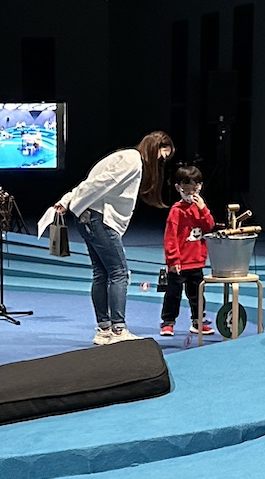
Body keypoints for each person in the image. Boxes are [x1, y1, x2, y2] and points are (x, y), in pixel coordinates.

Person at [54, 130, 175, 344]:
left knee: (101, 273)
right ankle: (118, 329)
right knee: (119, 273)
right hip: (99, 219)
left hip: (89, 218)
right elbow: (98, 184)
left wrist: (68, 200)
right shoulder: (132, 160)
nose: (161, 162)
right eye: (162, 156)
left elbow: (93, 181)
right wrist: (70, 201)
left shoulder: (126, 156)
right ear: (156, 148)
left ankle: (104, 330)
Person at [159, 163, 217, 338]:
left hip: (196, 261)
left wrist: (203, 209)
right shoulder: (176, 211)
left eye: (195, 188)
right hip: (179, 263)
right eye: (187, 188)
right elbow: (170, 237)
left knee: (197, 294)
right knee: (173, 294)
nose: (191, 193)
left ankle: (198, 321)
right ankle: (168, 323)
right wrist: (173, 259)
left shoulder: (200, 208)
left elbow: (209, 226)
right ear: (179, 188)